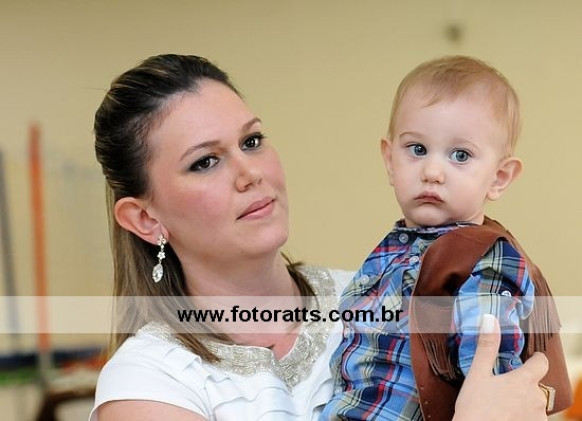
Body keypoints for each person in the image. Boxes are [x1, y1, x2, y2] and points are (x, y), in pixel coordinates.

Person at [89, 54, 551, 421]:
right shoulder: (148, 381)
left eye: (251, 142)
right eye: (205, 162)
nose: (250, 173)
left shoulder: (377, 295)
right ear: (145, 219)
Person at [322, 55, 568, 420]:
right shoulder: (393, 250)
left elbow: (490, 369)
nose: (433, 171)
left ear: (499, 178)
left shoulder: (483, 258)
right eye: (417, 149)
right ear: (390, 161)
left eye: (460, 155)